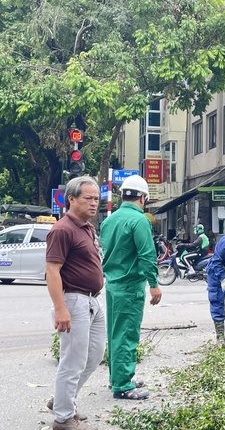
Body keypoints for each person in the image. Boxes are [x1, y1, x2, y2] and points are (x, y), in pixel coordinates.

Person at [45, 176, 105, 430]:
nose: (93, 204)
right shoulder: (62, 229)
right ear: (71, 199)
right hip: (73, 300)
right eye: (87, 198)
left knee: (94, 356)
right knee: (73, 361)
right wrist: (61, 309)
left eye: (96, 199)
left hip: (93, 301)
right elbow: (52, 270)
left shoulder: (87, 227)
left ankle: (62, 400)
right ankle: (62, 418)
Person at [100, 175, 162, 400]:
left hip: (112, 284)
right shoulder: (139, 221)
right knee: (127, 334)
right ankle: (123, 385)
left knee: (115, 333)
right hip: (129, 286)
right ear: (143, 198)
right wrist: (154, 284)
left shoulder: (109, 220)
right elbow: (147, 254)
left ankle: (116, 377)